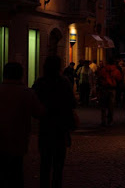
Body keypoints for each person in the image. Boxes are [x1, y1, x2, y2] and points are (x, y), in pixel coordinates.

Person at [33, 55, 77, 188]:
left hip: (45, 127)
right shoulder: (64, 82)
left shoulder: (40, 82)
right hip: (60, 128)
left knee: (45, 164)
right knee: (58, 165)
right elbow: (72, 103)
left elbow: (34, 102)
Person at [0, 62, 43, 188]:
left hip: (1, 140)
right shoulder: (25, 93)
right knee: (16, 173)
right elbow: (39, 112)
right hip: (18, 141)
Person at [97, 59, 122, 126]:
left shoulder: (103, 70)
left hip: (104, 88)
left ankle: (103, 120)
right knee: (111, 105)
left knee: (103, 105)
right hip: (112, 89)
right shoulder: (116, 70)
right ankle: (110, 120)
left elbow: (99, 78)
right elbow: (119, 79)